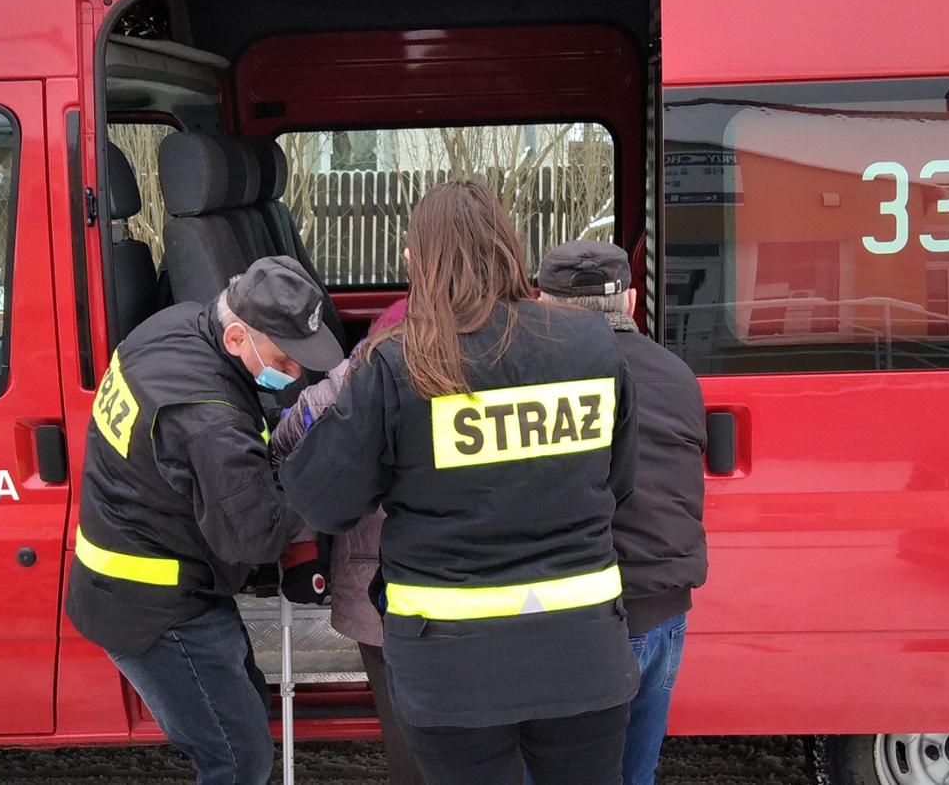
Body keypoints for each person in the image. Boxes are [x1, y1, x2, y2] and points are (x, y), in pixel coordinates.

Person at [280, 180, 640, 785]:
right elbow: (619, 484)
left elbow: (323, 498)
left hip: (449, 671)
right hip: (584, 656)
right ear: (508, 246)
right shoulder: (590, 345)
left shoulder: (399, 362)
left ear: (419, 260)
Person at [65, 255, 343, 785]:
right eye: (285, 360)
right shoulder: (207, 422)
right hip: (159, 611)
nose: (295, 374)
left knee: (241, 712)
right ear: (237, 336)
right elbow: (256, 534)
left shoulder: (172, 328)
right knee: (238, 760)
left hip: (148, 584)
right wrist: (321, 482)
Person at [536, 240, 707, 785]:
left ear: (542, 304)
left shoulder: (541, 379)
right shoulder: (679, 373)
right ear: (631, 302)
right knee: (635, 774)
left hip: (583, 614)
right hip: (665, 613)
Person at [269, 297, 424, 785]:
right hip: (478, 588)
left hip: (379, 592)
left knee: (409, 742)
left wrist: (301, 544)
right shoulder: (497, 364)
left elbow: (285, 448)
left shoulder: (354, 381)